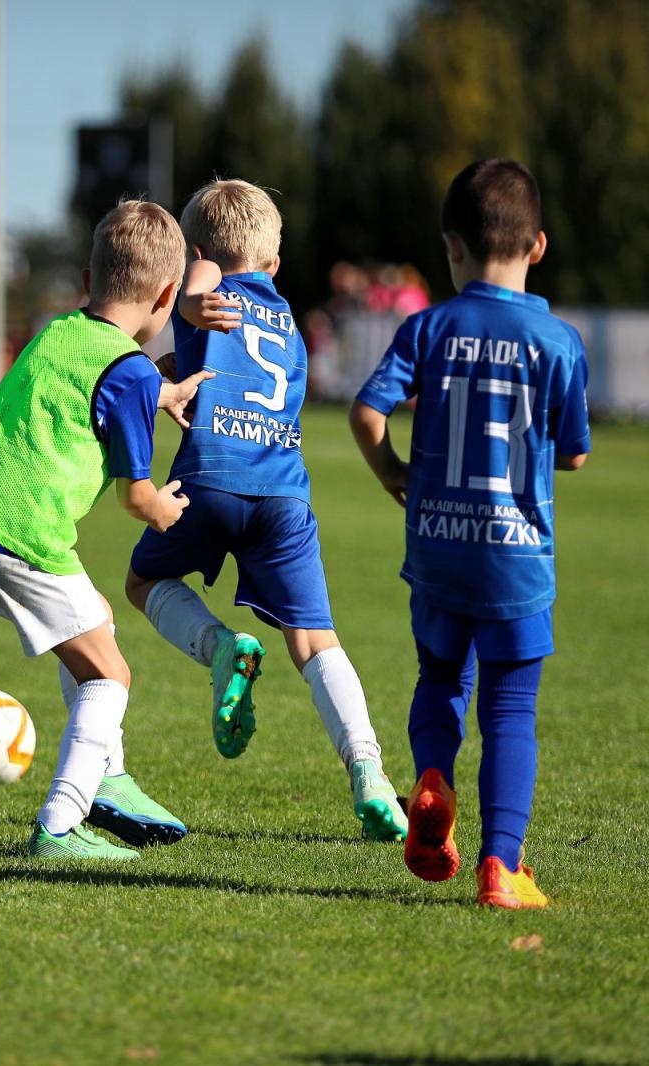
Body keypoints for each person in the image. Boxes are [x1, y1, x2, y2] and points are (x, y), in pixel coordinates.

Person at [0, 200, 208, 861]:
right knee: (112, 673)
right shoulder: (133, 370)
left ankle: (110, 778)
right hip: (17, 534)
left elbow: (91, 384)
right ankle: (60, 822)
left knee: (95, 623)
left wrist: (157, 395)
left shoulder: (60, 332)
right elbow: (138, 498)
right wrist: (165, 508)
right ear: (169, 294)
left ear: (88, 282)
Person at [122, 179, 409, 842]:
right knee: (314, 642)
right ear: (275, 264)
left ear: (200, 252)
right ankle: (369, 771)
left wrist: (192, 296)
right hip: (284, 494)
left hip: (210, 479)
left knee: (144, 582)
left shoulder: (205, 282)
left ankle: (221, 648)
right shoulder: (288, 322)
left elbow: (195, 301)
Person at [349, 159, 591, 909]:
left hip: (438, 550)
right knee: (511, 708)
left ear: (451, 246)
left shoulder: (428, 326)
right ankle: (501, 866)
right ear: (539, 246)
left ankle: (432, 780)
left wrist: (392, 469)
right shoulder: (558, 341)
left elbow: (366, 411)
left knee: (440, 679)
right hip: (517, 558)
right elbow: (575, 451)